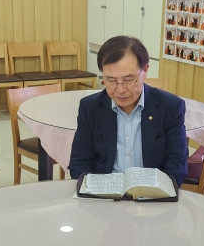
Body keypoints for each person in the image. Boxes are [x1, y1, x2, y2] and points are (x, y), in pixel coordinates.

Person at [69, 36, 188, 186]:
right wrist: (93, 190)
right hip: (103, 193)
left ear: (145, 70)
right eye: (111, 80)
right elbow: (79, 163)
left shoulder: (170, 107)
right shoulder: (90, 107)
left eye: (129, 79)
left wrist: (156, 194)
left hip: (152, 193)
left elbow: (176, 167)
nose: (120, 89)